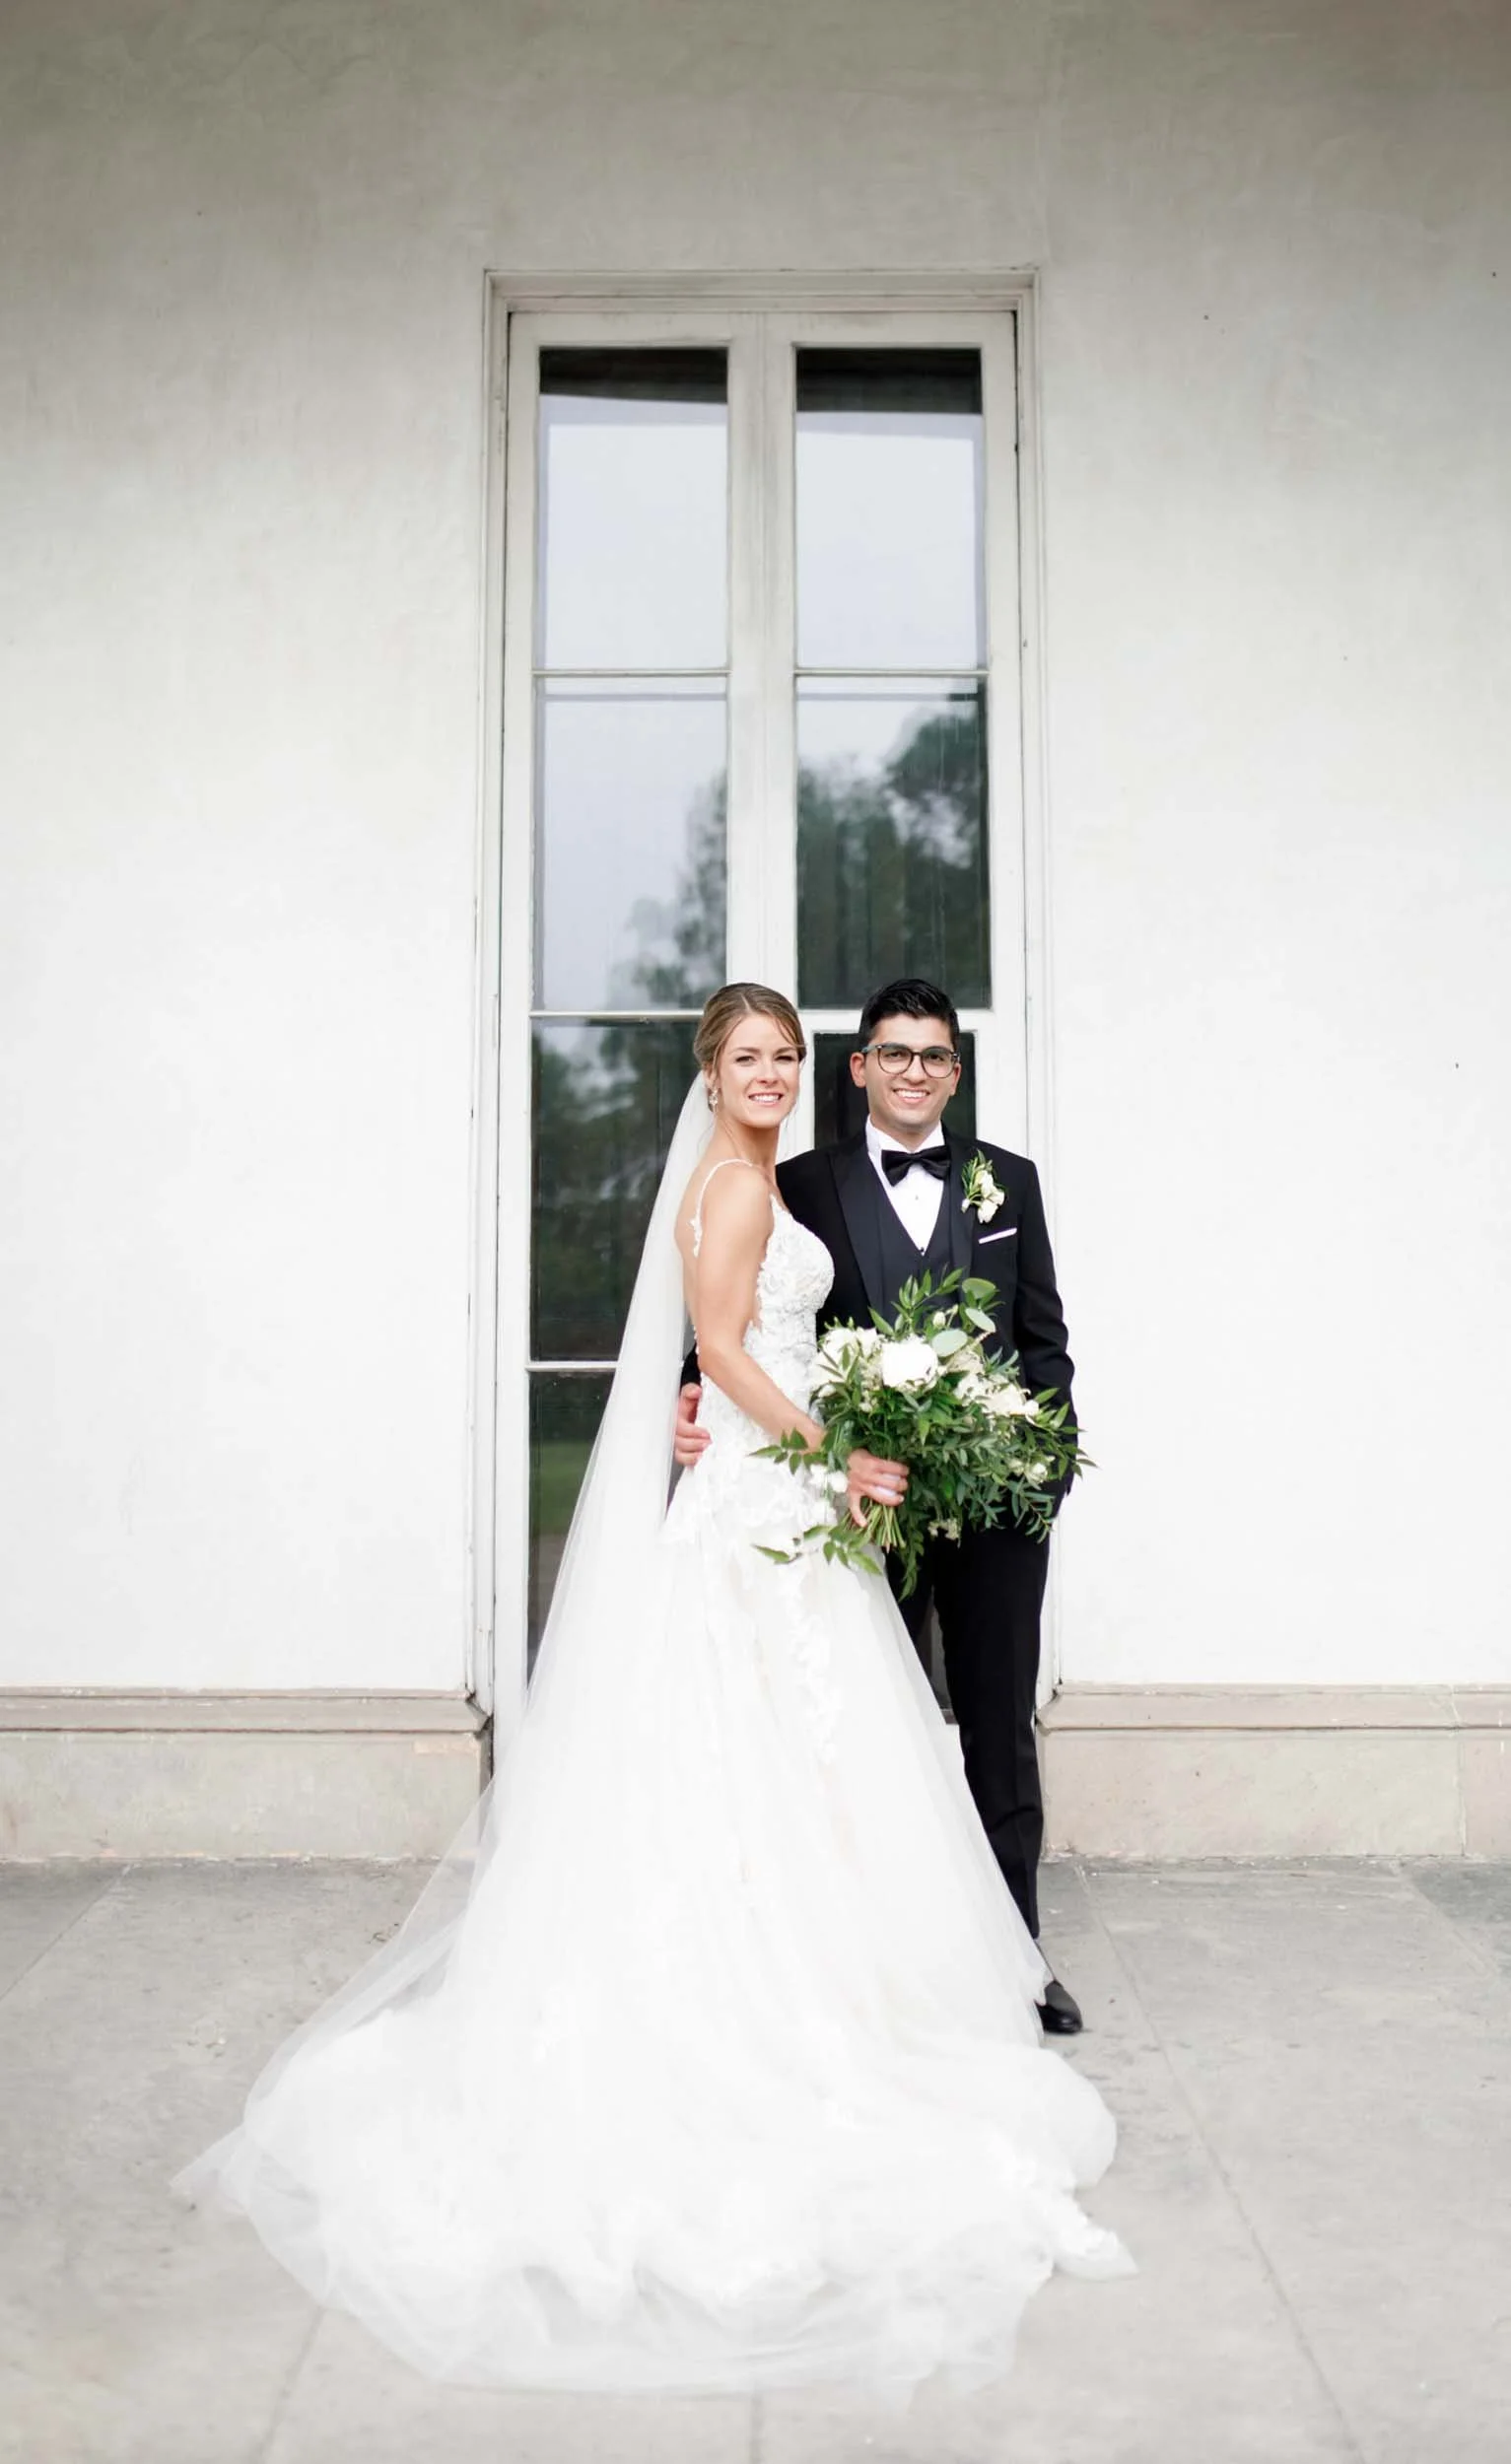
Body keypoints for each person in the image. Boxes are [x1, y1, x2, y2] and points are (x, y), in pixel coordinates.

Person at [172, 982, 1131, 2393]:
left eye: (781, 1057)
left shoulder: (911, 1183)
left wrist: (1006, 1456)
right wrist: (815, 1442)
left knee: (900, 1744)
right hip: (796, 1494)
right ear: (810, 1071)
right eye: (755, 1058)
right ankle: (807, 1997)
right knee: (792, 1739)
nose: (773, 1074)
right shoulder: (769, 1185)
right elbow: (725, 1335)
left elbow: (1013, 1336)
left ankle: (964, 1962)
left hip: (894, 1497)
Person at [676, 978, 1083, 2033]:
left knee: (999, 1730)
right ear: (857, 1068)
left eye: (934, 1055)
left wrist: (1039, 1471)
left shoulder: (1011, 1183)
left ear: (956, 1069)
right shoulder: (791, 1176)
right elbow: (736, 1303)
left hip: (993, 1508)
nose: (914, 1070)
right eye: (892, 1053)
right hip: (852, 1508)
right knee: (863, 1735)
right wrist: (691, 1388)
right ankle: (879, 1964)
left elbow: (1044, 1343)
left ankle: (1019, 1962)